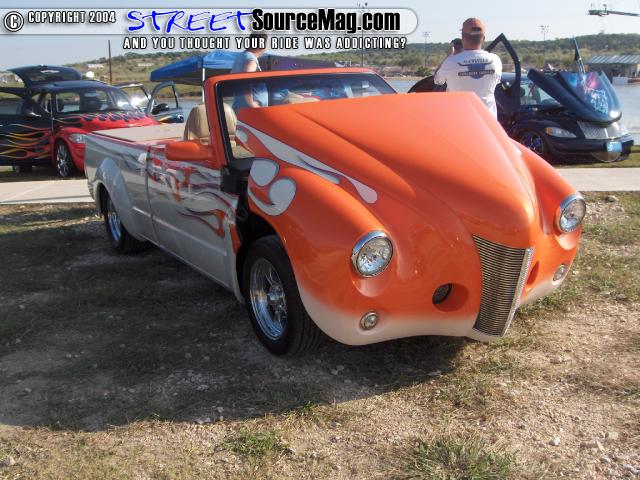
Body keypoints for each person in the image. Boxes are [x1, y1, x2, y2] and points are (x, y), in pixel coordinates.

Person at [434, 18, 502, 117]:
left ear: (463, 38)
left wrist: (449, 56)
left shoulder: (450, 62)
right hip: (487, 123)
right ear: (483, 38)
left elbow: (437, 80)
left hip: (460, 122)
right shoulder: (495, 61)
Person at [231, 33, 268, 110]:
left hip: (241, 106)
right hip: (251, 109)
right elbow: (246, 81)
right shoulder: (251, 60)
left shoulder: (241, 57)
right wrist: (251, 103)